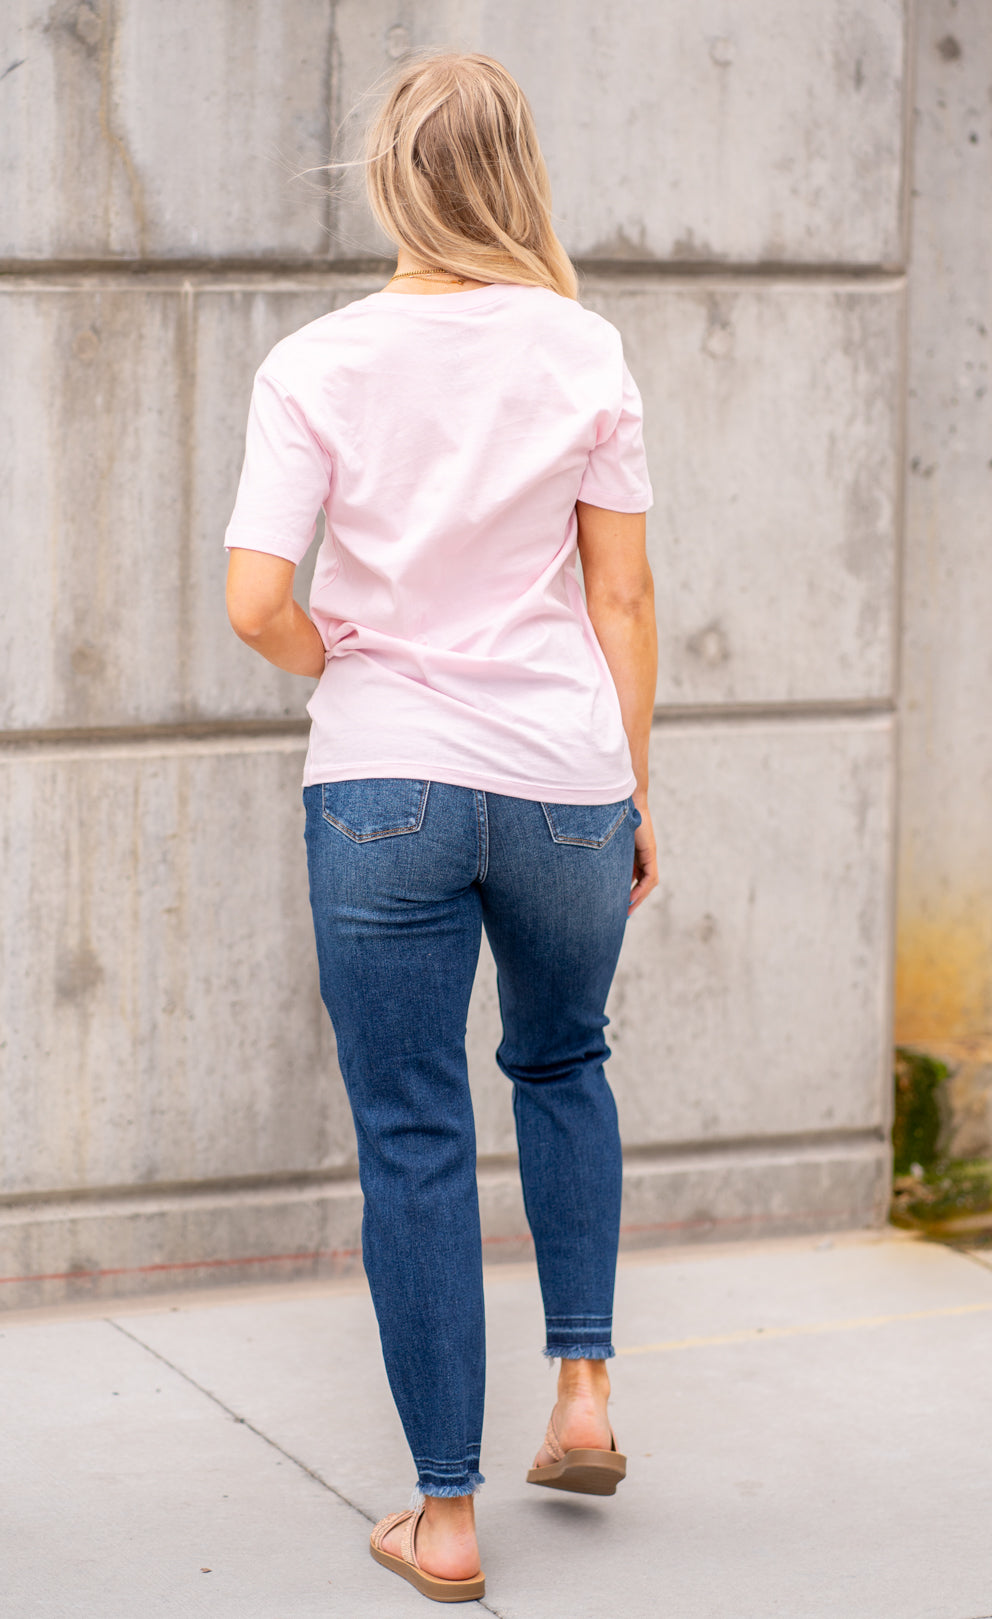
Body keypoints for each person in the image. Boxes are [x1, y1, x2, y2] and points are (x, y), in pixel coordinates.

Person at [223, 49, 658, 1605]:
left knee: (413, 1134)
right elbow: (621, 595)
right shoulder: (585, 348)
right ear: (519, 173)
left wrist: (339, 657)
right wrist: (633, 789)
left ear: (390, 178)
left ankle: (449, 1519)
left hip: (385, 784)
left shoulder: (317, 363)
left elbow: (255, 603)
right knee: (564, 1062)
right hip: (564, 780)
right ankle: (585, 1389)